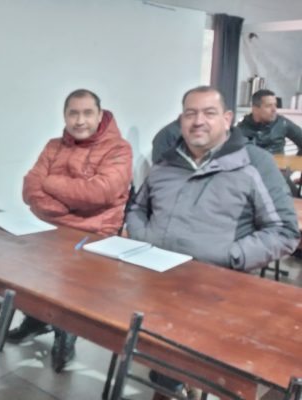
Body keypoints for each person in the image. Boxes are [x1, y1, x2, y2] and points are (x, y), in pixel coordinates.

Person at [126, 86, 299, 399]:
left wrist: (231, 256)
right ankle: (171, 379)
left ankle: (182, 380)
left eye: (209, 113)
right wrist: (145, 238)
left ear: (227, 119)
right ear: (181, 120)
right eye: (190, 113)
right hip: (157, 283)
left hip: (219, 290)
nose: (198, 121)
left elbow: (285, 231)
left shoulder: (254, 163)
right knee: (150, 352)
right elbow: (137, 209)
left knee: (196, 368)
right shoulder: (165, 163)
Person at [12, 88, 133, 373]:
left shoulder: (119, 149)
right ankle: (36, 319)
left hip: (94, 235)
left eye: (87, 113)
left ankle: (66, 332)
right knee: (24, 270)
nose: (80, 120)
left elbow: (99, 193)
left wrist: (50, 183)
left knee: (68, 282)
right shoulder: (54, 146)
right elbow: (29, 187)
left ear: (100, 115)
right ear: (65, 116)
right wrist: (65, 208)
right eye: (73, 113)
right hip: (50, 229)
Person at [238, 89, 302, 155]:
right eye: (268, 106)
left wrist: (295, 160)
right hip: (254, 161)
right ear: (255, 109)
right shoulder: (242, 128)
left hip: (277, 161)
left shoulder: (282, 123)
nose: (274, 110)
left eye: (275, 105)